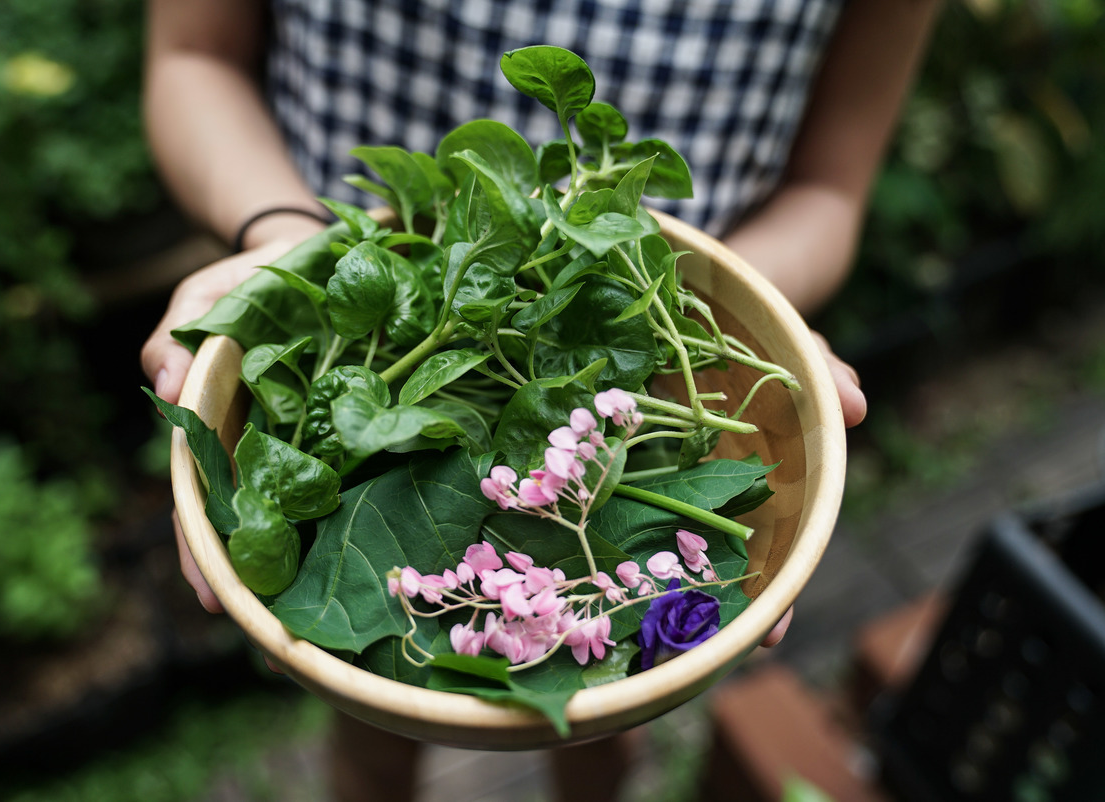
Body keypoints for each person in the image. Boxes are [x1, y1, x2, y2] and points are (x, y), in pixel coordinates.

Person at [139, 2, 938, 799]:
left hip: (642, 326)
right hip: (351, 242)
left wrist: (727, 305)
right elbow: (193, 56)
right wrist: (282, 237)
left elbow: (829, 191)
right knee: (372, 723)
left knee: (605, 725)